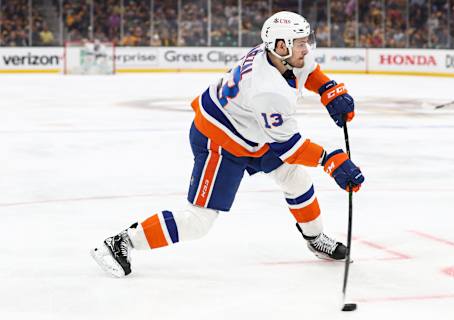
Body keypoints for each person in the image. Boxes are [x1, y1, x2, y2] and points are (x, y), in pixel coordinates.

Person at [91, 11, 365, 277]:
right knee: (198, 222)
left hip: (251, 132)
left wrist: (328, 89)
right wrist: (331, 161)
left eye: (307, 41)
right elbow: (289, 147)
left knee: (296, 179)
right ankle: (122, 241)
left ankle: (315, 239)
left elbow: (309, 70)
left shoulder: (277, 54)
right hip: (220, 140)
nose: (307, 49)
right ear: (281, 46)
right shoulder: (268, 88)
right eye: (301, 43)